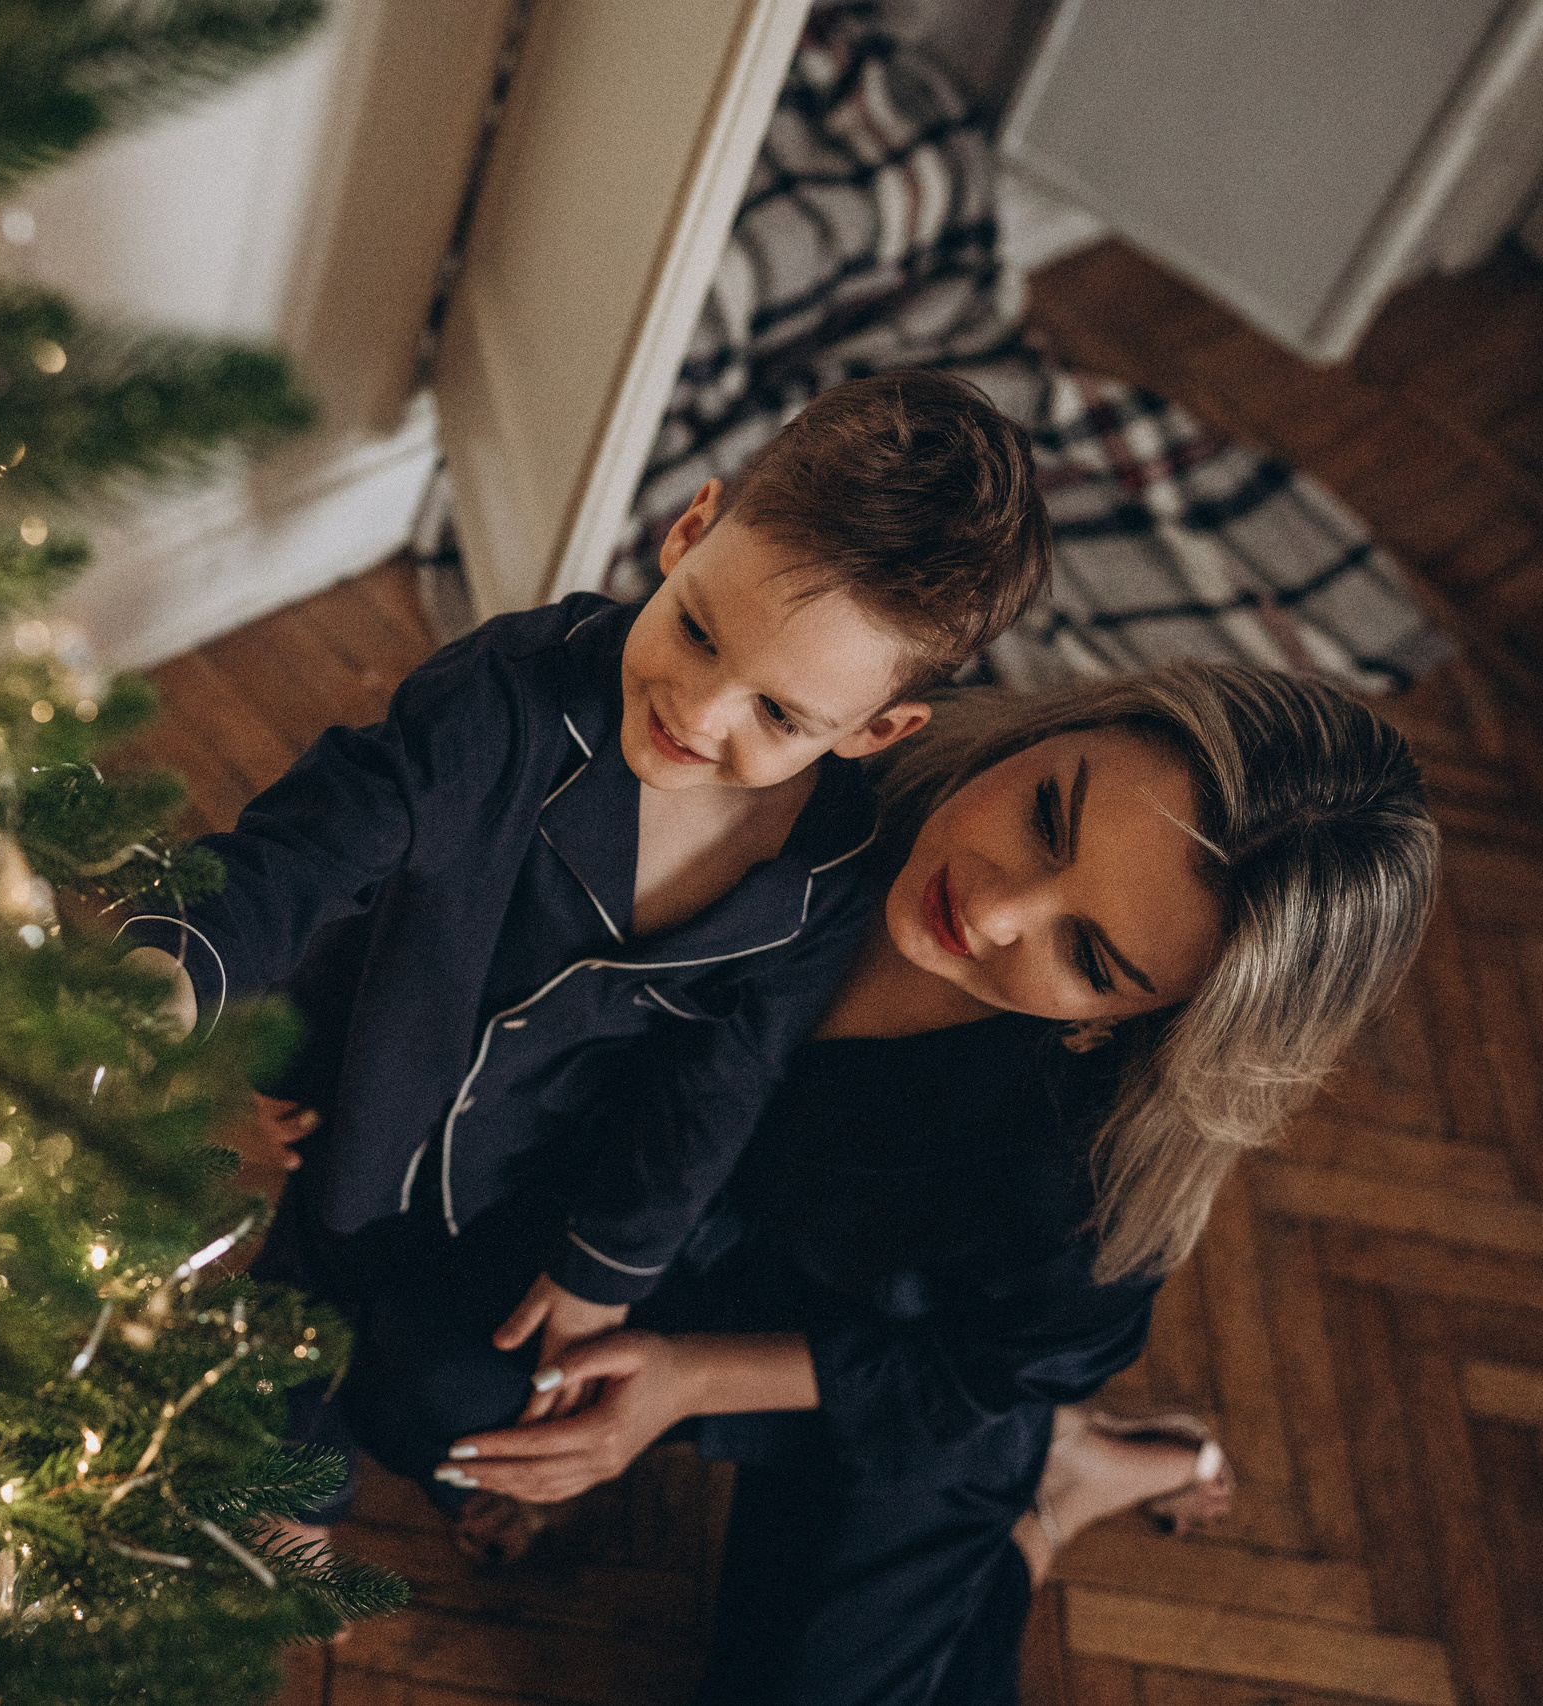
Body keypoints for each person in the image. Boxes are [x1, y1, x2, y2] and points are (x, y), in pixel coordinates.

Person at [377, 662, 1437, 1704]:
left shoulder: (1087, 1173)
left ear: (1132, 1022)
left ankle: (1052, 1497)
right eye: (1044, 816)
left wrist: (687, 1378)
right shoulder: (819, 736)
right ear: (1052, 728)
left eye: (1090, 956)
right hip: (660, 1223)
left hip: (890, 1362)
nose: (992, 910)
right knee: (435, 1395)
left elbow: (984, 1372)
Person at [125, 374, 1054, 1503]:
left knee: (453, 1411)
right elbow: (320, 840)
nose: (698, 713)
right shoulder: (507, 694)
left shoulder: (823, 879)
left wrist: (604, 1266)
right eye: (700, 630)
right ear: (689, 530)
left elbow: (720, 1085)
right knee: (306, 1292)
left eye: (779, 715)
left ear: (878, 731)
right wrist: (178, 976)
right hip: (371, 1096)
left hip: (533, 1188)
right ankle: (292, 1462)